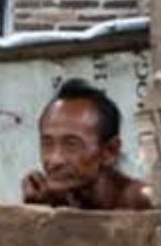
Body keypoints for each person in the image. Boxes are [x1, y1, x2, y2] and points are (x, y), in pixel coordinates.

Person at [22, 79, 153, 211]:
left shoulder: (143, 203)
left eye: (71, 145)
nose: (55, 160)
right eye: (47, 144)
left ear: (110, 151)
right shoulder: (58, 197)